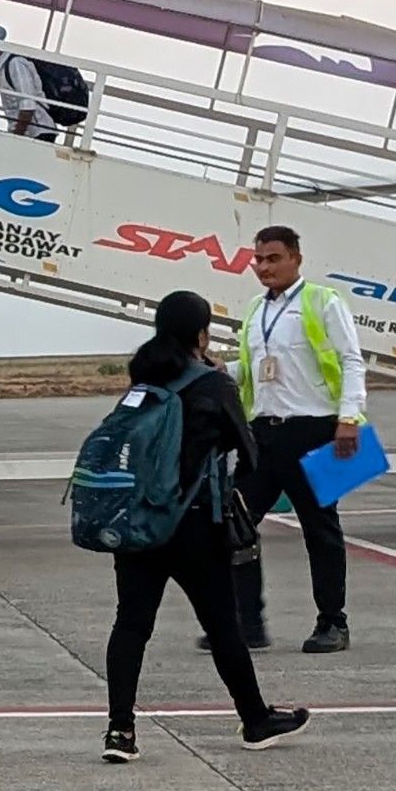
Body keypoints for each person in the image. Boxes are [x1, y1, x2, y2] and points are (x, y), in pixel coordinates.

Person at [104, 292, 310, 762]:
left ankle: (120, 731)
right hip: (194, 525)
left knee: (132, 623)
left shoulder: (141, 381)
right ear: (200, 333)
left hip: (138, 522)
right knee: (222, 626)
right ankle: (255, 719)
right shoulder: (211, 384)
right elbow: (250, 452)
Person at [215, 226, 368, 653]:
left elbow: (351, 361)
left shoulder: (322, 301)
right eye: (258, 259)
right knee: (235, 525)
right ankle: (247, 623)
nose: (264, 267)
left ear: (296, 258)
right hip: (263, 433)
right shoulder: (253, 310)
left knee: (320, 530)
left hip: (314, 429)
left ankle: (333, 622)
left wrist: (349, 417)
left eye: (273, 258)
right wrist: (214, 372)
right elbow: (252, 367)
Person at [0, 25, 58, 143]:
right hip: (31, 132)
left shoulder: (15, 64)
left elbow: (28, 104)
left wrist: (17, 136)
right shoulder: (6, 67)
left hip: (37, 132)